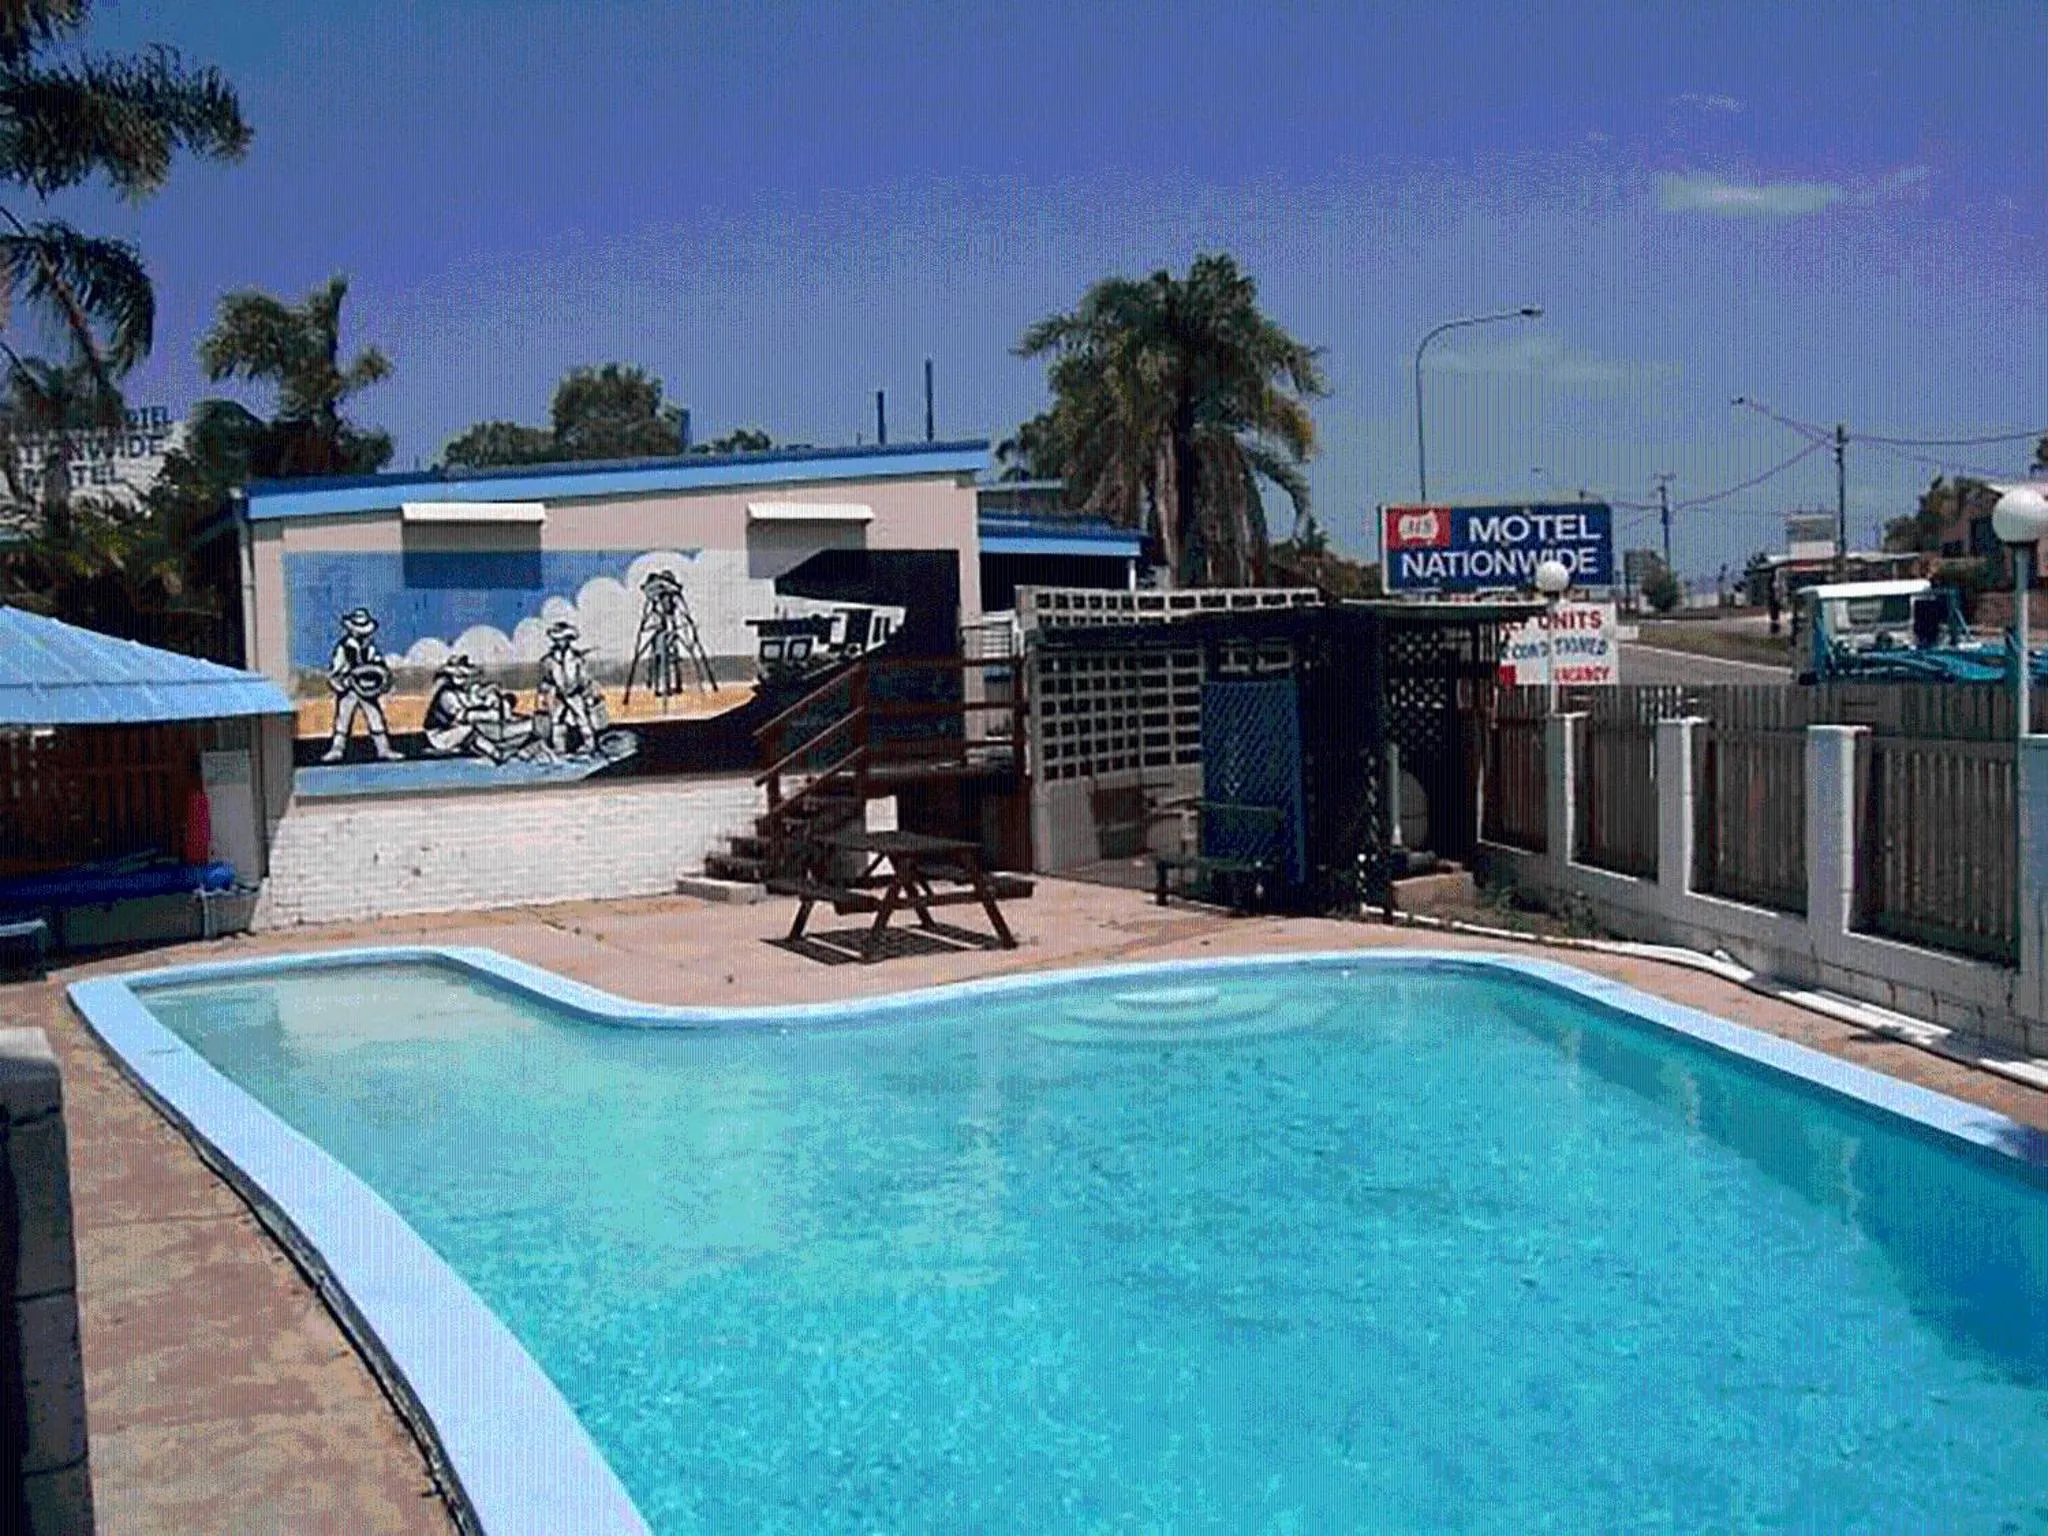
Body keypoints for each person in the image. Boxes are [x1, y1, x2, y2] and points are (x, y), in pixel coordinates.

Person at [321, 608, 402, 763]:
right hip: (349, 689)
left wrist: (379, 676)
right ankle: (337, 749)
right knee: (343, 718)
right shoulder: (343, 647)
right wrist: (343, 682)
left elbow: (378, 664)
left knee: (375, 717)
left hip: (367, 689)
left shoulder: (370, 647)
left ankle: (383, 749)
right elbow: (335, 671)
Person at [537, 620, 608, 756]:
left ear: (569, 640)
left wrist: (588, 694)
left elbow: (583, 678)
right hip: (558, 695)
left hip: (575, 694)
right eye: (558, 639)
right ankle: (559, 748)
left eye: (564, 639)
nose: (561, 642)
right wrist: (545, 693)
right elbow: (547, 679)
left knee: (582, 718)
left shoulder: (576, 659)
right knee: (557, 721)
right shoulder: (549, 660)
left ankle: (589, 746)